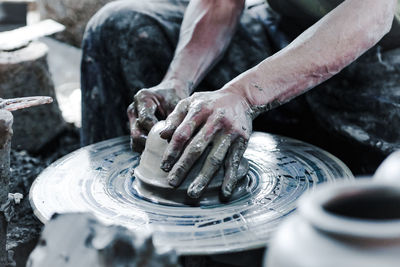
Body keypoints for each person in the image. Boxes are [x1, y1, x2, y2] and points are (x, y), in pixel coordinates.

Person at [81, 0, 400, 200]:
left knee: (378, 200)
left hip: (383, 54)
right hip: (280, 33)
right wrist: (177, 81)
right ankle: (107, 215)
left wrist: (244, 95)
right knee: (119, 25)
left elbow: (370, 13)